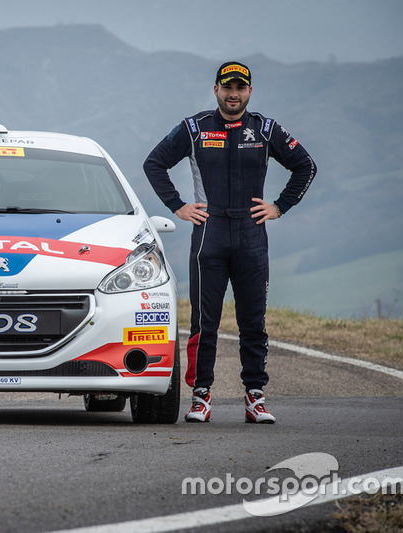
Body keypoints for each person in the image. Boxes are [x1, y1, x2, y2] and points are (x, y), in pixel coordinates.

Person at [143, 61, 316, 424]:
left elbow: (306, 166)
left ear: (249, 92)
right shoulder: (194, 128)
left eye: (240, 88)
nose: (233, 94)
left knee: (253, 322)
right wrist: (178, 206)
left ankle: (255, 398)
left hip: (252, 236)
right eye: (227, 87)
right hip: (210, 236)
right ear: (216, 90)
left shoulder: (266, 130)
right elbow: (154, 163)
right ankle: (201, 397)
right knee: (206, 323)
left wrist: (280, 206)